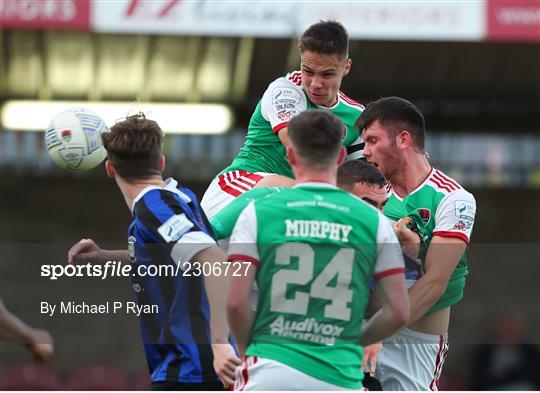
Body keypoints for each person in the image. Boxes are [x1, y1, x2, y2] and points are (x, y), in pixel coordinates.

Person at [226, 110, 410, 390]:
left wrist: (253, 347)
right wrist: (352, 339)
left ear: (290, 156)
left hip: (270, 373)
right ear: (339, 158)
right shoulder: (374, 221)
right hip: (338, 377)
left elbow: (235, 303)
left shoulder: (257, 213)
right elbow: (398, 311)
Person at [68, 114, 240, 390]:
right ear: (161, 162)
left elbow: (215, 263)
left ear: (110, 168)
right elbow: (175, 257)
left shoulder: (154, 207)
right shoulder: (178, 198)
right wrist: (106, 256)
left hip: (192, 369)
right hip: (195, 368)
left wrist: (219, 344)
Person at [356, 96, 477, 390]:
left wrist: (378, 334)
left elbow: (435, 283)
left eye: (372, 140)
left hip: (415, 344)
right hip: (362, 330)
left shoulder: (453, 199)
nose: (365, 151)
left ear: (403, 139)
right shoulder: (369, 192)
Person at [201, 20, 365, 219]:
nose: (315, 84)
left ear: (346, 67)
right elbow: (300, 148)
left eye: (327, 74)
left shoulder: (357, 116)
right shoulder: (285, 90)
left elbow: (363, 179)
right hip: (238, 189)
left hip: (293, 203)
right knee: (323, 200)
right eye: (308, 71)